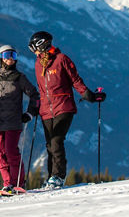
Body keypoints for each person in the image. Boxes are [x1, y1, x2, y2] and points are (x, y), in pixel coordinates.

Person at [28, 31, 106, 190]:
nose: (34, 52)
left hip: (63, 106)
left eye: (34, 48)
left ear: (42, 45)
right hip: (45, 110)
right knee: (50, 145)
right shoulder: (38, 64)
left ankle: (58, 176)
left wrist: (89, 95)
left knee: (56, 140)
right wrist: (37, 105)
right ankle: (51, 177)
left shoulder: (62, 59)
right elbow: (41, 88)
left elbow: (75, 80)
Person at [0, 44, 40, 195]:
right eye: (7, 56)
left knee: (11, 151)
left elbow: (34, 94)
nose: (11, 60)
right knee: (0, 153)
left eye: (13, 56)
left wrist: (30, 113)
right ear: (0, 59)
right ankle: (7, 184)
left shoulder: (19, 77)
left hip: (14, 120)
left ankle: (17, 182)